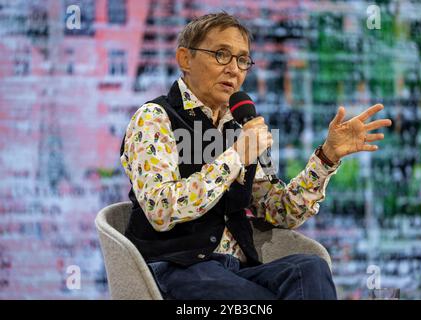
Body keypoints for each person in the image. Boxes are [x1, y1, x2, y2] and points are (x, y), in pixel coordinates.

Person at [120, 12, 392, 300]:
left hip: (235, 269)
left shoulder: (241, 128)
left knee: (309, 269)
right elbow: (162, 210)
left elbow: (278, 210)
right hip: (176, 268)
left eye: (242, 60)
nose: (234, 70)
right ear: (185, 59)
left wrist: (326, 158)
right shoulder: (154, 118)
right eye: (221, 55)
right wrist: (236, 156)